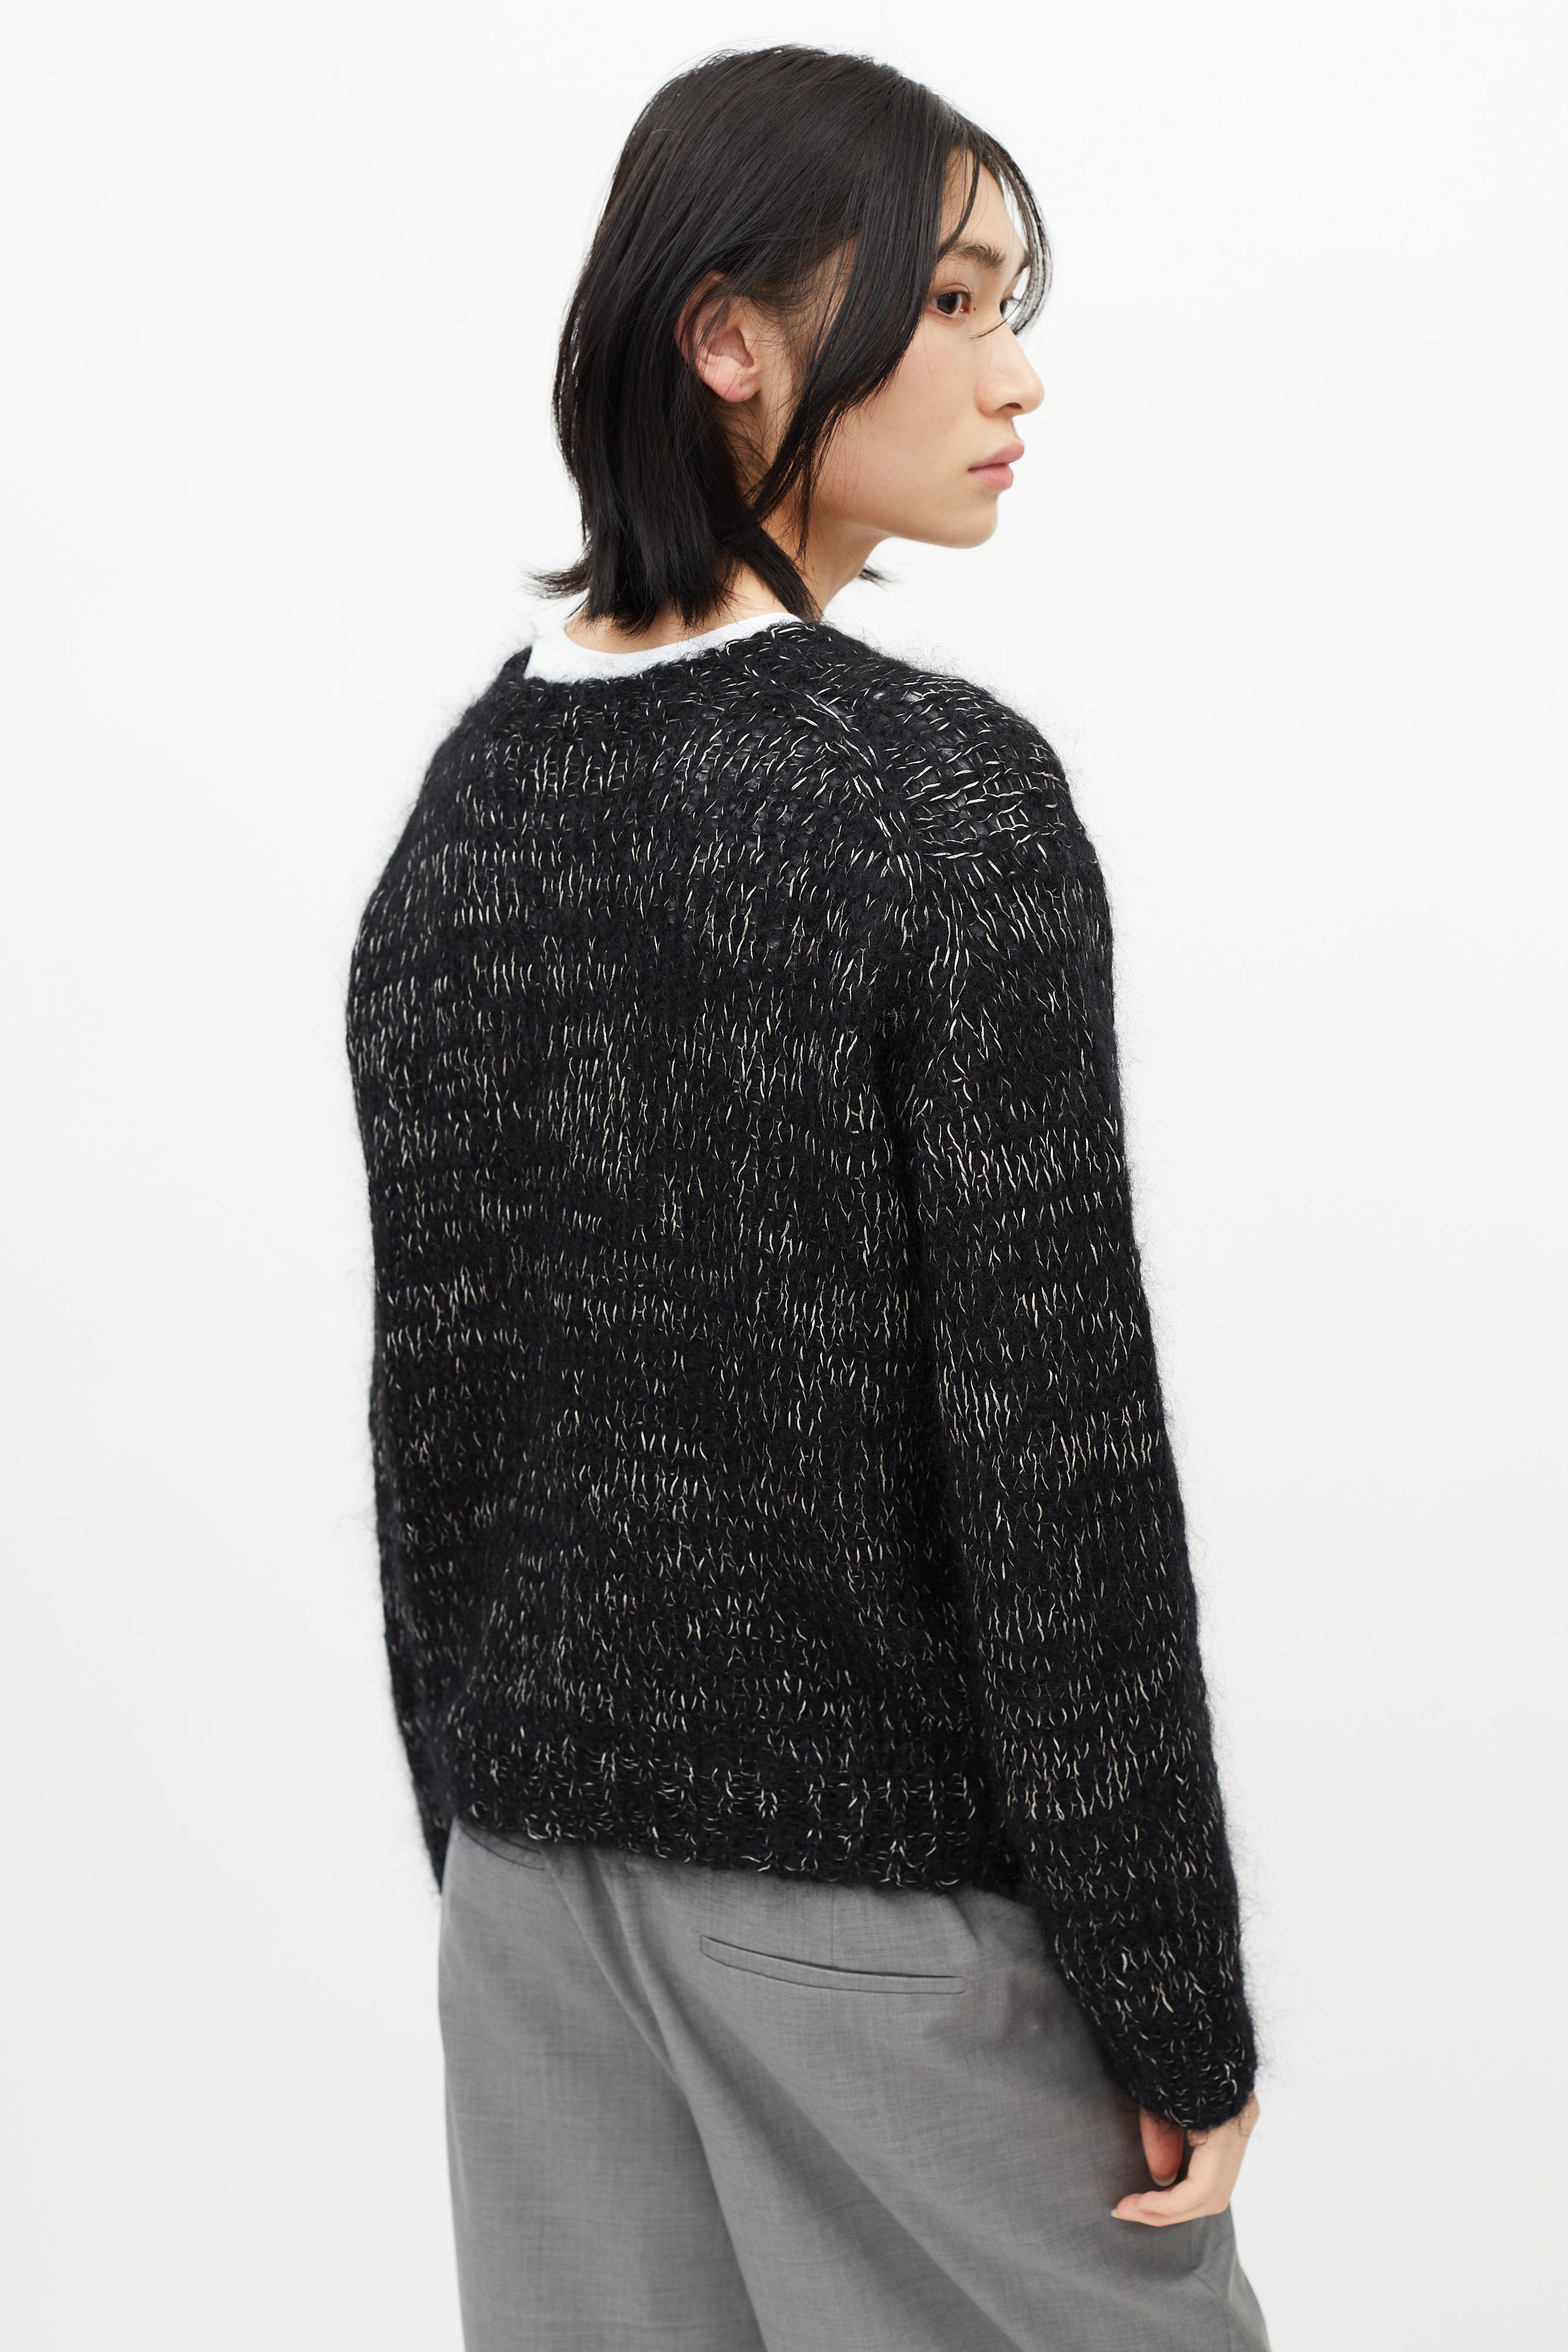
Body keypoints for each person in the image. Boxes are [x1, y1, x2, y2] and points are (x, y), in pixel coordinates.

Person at [346, 42, 1270, 2352]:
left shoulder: (464, 811)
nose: (1012, 373)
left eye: (1004, 308)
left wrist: (486, 1834)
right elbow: (1052, 1454)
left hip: (530, 1908)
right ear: (730, 338)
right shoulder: (933, 797)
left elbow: (434, 1424)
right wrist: (1172, 1993)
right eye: (947, 304)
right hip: (863, 1922)